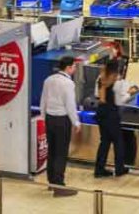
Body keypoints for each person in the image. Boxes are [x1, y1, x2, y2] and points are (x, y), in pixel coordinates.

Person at [40, 56, 81, 197]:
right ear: (68, 67)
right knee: (61, 153)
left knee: (51, 151)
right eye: (74, 66)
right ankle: (59, 186)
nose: (75, 69)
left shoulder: (48, 80)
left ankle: (51, 182)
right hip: (62, 120)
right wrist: (76, 122)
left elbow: (43, 100)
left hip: (50, 119)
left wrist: (43, 117)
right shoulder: (68, 83)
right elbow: (70, 105)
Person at [93, 59, 129, 178]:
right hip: (111, 113)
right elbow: (121, 100)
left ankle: (99, 169)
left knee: (105, 141)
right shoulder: (116, 81)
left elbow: (97, 95)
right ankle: (120, 168)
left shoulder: (101, 78)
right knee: (118, 141)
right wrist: (131, 92)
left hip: (101, 112)